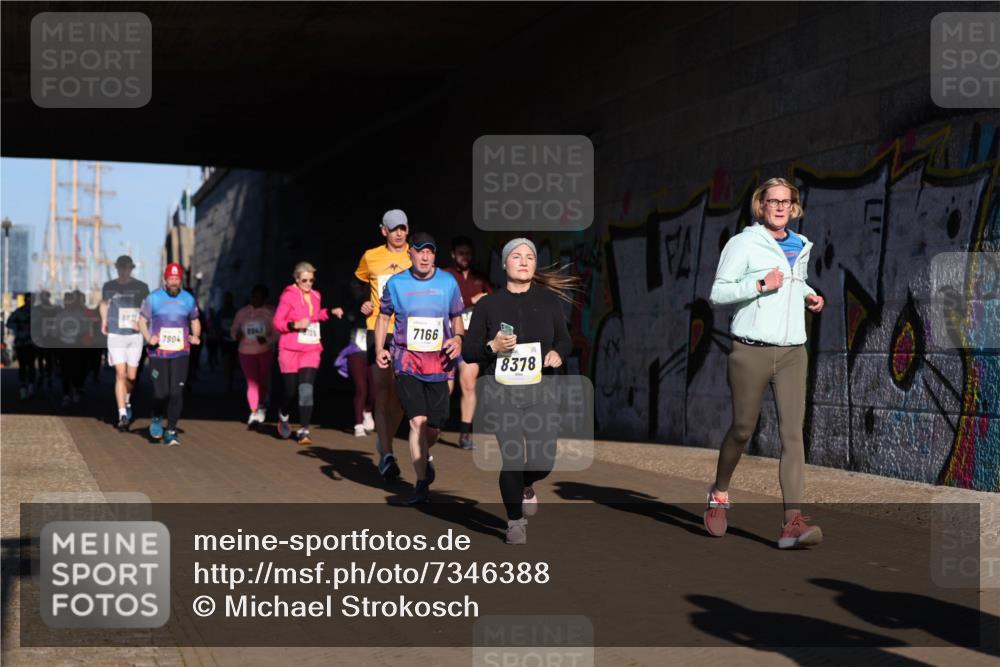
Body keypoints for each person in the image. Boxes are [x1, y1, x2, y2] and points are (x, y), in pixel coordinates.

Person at [706, 176, 826, 549]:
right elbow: (717, 293)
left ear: (794, 206)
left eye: (785, 201)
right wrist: (759, 285)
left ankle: (792, 524)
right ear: (761, 205)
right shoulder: (743, 243)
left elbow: (794, 280)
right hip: (751, 351)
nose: (779, 207)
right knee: (743, 429)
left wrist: (809, 295)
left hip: (793, 352)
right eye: (772, 201)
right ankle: (720, 493)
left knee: (793, 435)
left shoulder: (800, 244)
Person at [462, 238, 577, 545]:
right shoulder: (488, 305)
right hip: (501, 393)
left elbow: (565, 340)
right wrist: (493, 346)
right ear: (504, 264)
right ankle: (515, 521)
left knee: (543, 461)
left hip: (541, 392)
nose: (524, 261)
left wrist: (558, 354)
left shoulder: (549, 302)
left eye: (530, 256)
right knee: (512, 457)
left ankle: (526, 483)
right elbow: (469, 351)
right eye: (517, 256)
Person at [375, 232, 465, 504]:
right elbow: (383, 316)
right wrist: (380, 347)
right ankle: (421, 483)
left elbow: (456, 318)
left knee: (433, 428)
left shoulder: (448, 282)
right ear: (410, 254)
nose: (425, 256)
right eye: (420, 251)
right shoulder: (396, 283)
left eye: (430, 251)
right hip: (406, 362)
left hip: (440, 363)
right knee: (416, 421)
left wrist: (459, 339)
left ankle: (426, 454)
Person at [355, 209, 411, 479]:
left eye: (403, 228)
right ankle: (388, 454)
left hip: (407, 332)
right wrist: (363, 301)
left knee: (400, 395)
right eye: (394, 228)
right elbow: (355, 282)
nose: (399, 233)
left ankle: (384, 436)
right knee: (381, 391)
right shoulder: (371, 256)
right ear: (383, 231)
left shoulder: (416, 255)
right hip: (377, 329)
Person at [272, 261, 344, 445]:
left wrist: (330, 312)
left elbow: (315, 315)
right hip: (289, 349)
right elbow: (277, 322)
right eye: (304, 280)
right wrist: (293, 325)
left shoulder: (315, 295)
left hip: (310, 348)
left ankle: (304, 429)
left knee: (306, 389)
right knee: (290, 390)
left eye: (311, 280)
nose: (308, 284)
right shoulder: (288, 296)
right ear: (296, 279)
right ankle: (284, 414)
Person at [137, 262, 201, 446]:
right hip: (158, 353)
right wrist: (149, 338)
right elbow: (142, 320)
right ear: (165, 279)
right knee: (160, 393)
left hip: (181, 352)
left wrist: (195, 335)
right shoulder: (153, 298)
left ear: (181, 280)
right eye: (171, 278)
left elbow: (195, 320)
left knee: (176, 393)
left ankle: (171, 430)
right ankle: (157, 417)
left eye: (177, 279)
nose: (174, 282)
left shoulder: (188, 299)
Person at [443, 236, 493, 450]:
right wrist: (469, 302)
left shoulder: (480, 279)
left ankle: (465, 434)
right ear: (453, 254)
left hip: (471, 339)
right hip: (446, 338)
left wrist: (486, 302)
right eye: (461, 253)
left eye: (468, 253)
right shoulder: (444, 277)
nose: (465, 257)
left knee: (469, 383)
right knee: (446, 387)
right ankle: (432, 425)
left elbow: (495, 303)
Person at [99, 255, 150, 430]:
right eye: (120, 267)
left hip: (135, 335)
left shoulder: (141, 287)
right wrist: (104, 320)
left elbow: (148, 309)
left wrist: (143, 323)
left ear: (131, 268)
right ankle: (122, 414)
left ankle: (127, 401)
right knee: (120, 374)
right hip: (116, 334)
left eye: (126, 267)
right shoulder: (109, 286)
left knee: (132, 377)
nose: (123, 270)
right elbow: (104, 304)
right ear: (117, 268)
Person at [231, 284, 277, 426]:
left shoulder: (270, 312)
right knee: (251, 383)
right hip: (245, 351)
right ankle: (253, 411)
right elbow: (233, 330)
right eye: (253, 295)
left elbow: (278, 332)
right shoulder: (242, 312)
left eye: (259, 296)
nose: (255, 299)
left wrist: (267, 340)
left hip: (264, 351)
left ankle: (262, 406)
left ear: (264, 298)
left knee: (262, 381)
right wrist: (236, 335)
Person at [6, 294, 36, 399]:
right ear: (25, 300)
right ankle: (23, 387)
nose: (29, 302)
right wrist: (19, 326)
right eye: (28, 300)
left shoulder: (37, 312)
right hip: (21, 344)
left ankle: (31, 386)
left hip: (32, 344)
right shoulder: (19, 312)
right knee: (23, 366)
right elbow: (9, 323)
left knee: (31, 365)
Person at [214, 291, 238, 390]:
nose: (227, 300)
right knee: (226, 359)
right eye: (226, 298)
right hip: (224, 340)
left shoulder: (236, 312)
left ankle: (230, 376)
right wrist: (218, 334)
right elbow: (216, 325)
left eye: (229, 298)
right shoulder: (220, 312)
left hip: (234, 340)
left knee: (233, 360)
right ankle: (228, 378)